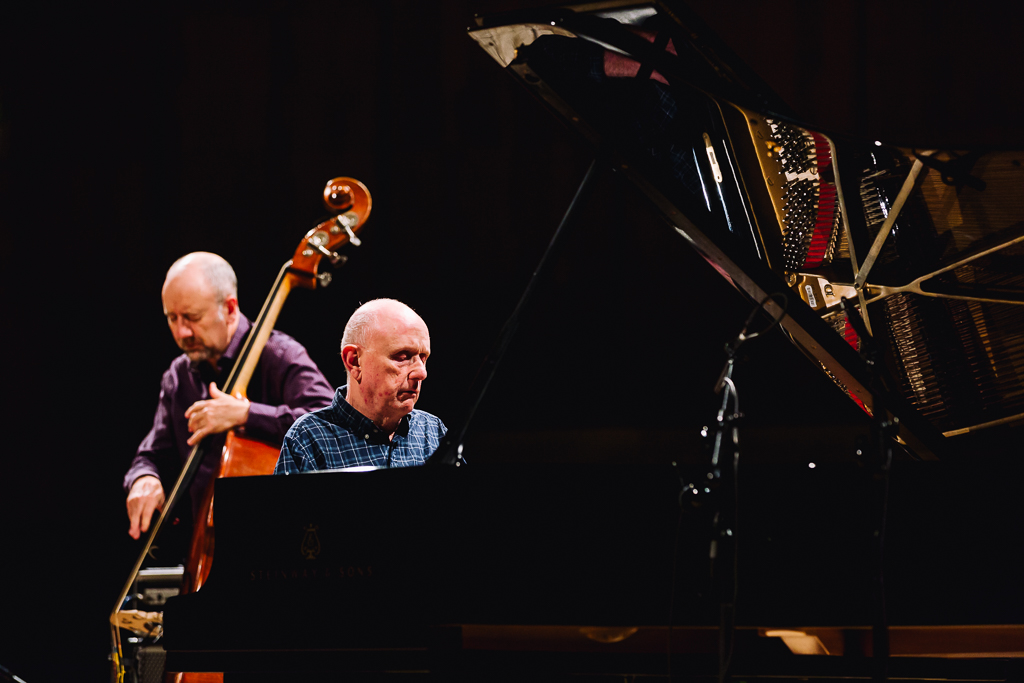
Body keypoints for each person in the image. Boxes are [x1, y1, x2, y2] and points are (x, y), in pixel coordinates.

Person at [123, 252, 334, 539]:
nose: (182, 332)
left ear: (230, 308)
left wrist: (247, 414)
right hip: (203, 545)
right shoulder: (178, 375)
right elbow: (152, 454)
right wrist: (144, 477)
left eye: (192, 318)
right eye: (172, 318)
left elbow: (330, 423)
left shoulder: (279, 355)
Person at [274, 299, 445, 473]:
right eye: (402, 356)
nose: (421, 373)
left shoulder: (433, 431)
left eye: (423, 358)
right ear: (354, 361)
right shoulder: (307, 439)